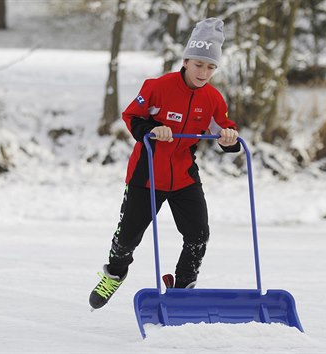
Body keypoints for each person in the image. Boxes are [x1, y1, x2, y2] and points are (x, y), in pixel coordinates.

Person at [89, 18, 240, 309]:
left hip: (184, 175)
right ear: (185, 61)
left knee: (198, 234)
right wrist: (151, 130)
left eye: (210, 67)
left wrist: (228, 138)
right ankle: (115, 274)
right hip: (147, 175)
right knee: (127, 238)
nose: (204, 72)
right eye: (199, 64)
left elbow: (222, 129)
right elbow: (132, 116)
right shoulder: (159, 87)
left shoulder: (212, 98)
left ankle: (182, 286)